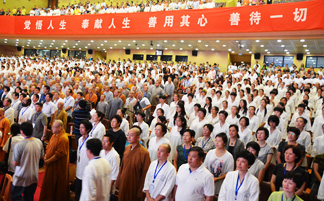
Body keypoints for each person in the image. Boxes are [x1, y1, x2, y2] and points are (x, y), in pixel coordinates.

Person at [116, 126, 151, 201]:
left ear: (138, 137)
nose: (128, 137)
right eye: (128, 135)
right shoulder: (127, 148)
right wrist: (118, 182)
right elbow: (122, 166)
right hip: (124, 182)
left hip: (134, 185)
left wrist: (141, 190)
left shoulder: (144, 153)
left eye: (131, 135)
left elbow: (145, 173)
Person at [11, 122, 44, 201]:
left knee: (15, 197)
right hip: (34, 176)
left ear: (21, 132)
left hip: (21, 176)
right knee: (29, 198)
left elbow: (15, 163)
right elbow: (42, 156)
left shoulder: (19, 145)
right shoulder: (39, 142)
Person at [39, 120, 70, 201]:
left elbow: (59, 154)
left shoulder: (63, 138)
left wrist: (48, 161)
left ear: (59, 128)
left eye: (53, 127)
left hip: (57, 166)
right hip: (49, 163)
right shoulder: (54, 135)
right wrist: (45, 156)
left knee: (56, 185)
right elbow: (48, 146)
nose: (51, 128)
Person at [75, 120, 92, 201]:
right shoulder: (80, 139)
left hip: (87, 167)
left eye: (82, 128)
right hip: (79, 167)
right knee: (77, 191)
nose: (80, 129)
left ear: (88, 129)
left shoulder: (91, 141)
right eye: (80, 127)